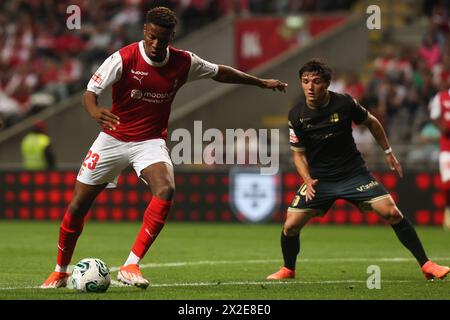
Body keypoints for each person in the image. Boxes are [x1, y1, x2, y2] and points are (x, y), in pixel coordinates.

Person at [40, 6, 287, 289]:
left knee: (166, 188)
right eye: (153, 37)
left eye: (164, 38)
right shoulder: (124, 57)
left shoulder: (184, 62)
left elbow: (220, 72)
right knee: (77, 205)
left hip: (149, 142)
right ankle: (60, 271)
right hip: (112, 139)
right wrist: (95, 112)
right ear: (145, 31)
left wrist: (260, 82)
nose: (157, 44)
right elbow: (89, 93)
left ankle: (131, 264)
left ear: (172, 36)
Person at [267, 59, 449, 281]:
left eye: (316, 81)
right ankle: (288, 270)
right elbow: (298, 154)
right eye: (305, 82)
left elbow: (372, 122)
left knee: (392, 212)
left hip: (353, 174)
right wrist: (307, 179)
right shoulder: (296, 115)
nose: (310, 87)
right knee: (290, 225)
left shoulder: (344, 104)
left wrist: (388, 151)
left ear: (327, 84)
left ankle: (427, 265)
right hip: (319, 180)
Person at [429, 79, 450, 230]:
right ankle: (448, 215)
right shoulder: (441, 97)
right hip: (447, 147)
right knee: (447, 183)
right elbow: (434, 116)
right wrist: (441, 127)